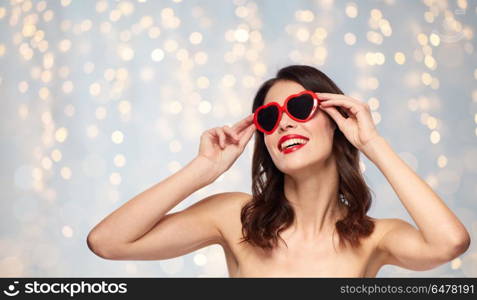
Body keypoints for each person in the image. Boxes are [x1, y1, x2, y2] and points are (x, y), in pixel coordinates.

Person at [87, 65, 470, 277]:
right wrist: (202, 170)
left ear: (336, 120)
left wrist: (372, 143)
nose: (284, 124)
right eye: (270, 117)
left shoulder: (374, 238)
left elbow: (449, 243)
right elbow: (107, 242)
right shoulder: (235, 219)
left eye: (300, 108)